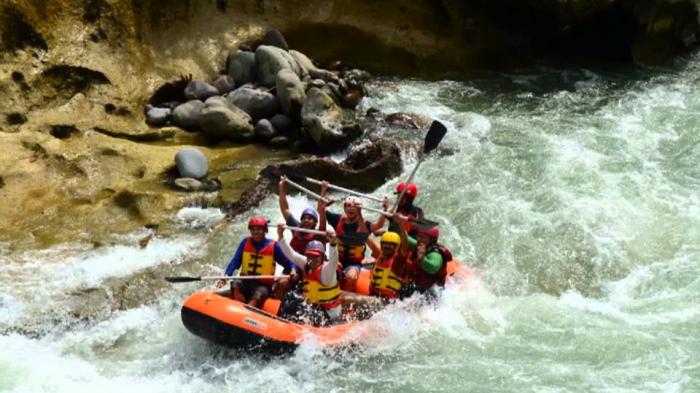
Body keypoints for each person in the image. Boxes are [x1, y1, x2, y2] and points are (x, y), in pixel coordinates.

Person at [215, 216, 298, 308]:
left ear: (265, 231)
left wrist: (293, 269)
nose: (255, 232)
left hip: (263, 285)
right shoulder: (245, 242)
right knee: (235, 284)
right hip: (245, 281)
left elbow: (289, 262)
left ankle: (247, 311)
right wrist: (226, 276)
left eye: (259, 229)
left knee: (258, 295)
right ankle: (238, 307)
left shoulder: (274, 246)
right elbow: (235, 261)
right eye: (253, 229)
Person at [317, 181, 386, 291]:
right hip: (337, 260)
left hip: (354, 263)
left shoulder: (364, 224)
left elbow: (379, 225)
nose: (351, 208)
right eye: (348, 206)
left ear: (359, 210)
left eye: (355, 207)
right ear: (344, 208)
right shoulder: (338, 219)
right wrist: (323, 190)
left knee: (351, 277)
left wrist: (385, 209)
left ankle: (347, 302)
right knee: (328, 275)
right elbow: (320, 210)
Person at [276, 223, 342, 326]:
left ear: (322, 257)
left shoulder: (327, 271)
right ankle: (280, 323)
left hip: (330, 312)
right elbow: (292, 255)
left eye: (316, 257)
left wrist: (333, 244)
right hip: (314, 306)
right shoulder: (307, 264)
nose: (313, 259)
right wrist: (280, 236)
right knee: (290, 297)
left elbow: (334, 262)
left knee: (303, 309)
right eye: (310, 256)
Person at [400, 221, 453, 298]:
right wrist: (397, 223)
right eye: (418, 236)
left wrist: (422, 260)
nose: (419, 239)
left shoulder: (436, 254)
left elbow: (432, 268)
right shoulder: (419, 245)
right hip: (418, 288)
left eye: (423, 237)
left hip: (433, 292)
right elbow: (403, 238)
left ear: (431, 240)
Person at [278, 177, 325, 254]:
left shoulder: (318, 235)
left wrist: (323, 190)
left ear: (315, 223)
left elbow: (322, 213)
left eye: (310, 218)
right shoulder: (296, 227)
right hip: (296, 261)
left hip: (313, 263)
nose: (306, 220)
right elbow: (285, 209)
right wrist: (282, 187)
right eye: (304, 218)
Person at [368, 230, 410, 301]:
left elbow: (405, 245)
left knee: (348, 299)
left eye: (390, 245)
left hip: (389, 301)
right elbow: (366, 239)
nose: (387, 246)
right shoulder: (380, 256)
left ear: (396, 247)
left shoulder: (398, 261)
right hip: (375, 297)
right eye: (385, 244)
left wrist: (401, 226)